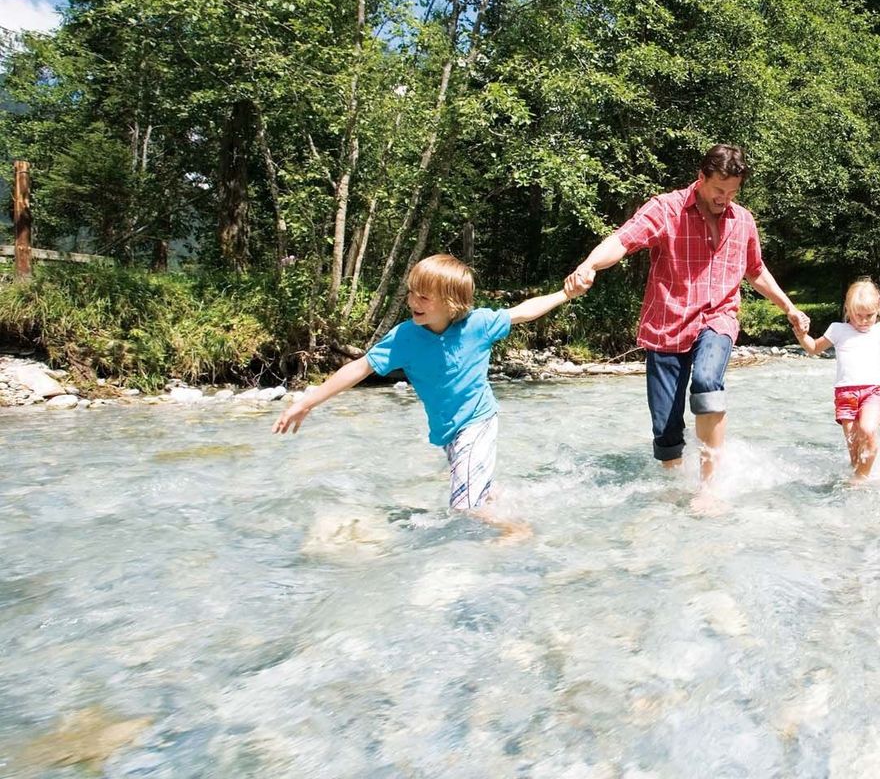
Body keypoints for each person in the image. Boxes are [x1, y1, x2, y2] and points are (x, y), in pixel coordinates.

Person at [565, 144, 809, 493]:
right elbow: (622, 241)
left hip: (718, 317)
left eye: (733, 192)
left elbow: (755, 271)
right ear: (700, 178)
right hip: (667, 323)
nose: (725, 198)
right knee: (666, 430)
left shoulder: (743, 222)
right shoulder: (666, 209)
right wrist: (588, 265)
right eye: (718, 190)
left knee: (708, 381)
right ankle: (674, 493)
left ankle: (709, 487)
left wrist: (789, 308)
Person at [273, 254, 583, 528]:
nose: (412, 302)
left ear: (453, 303)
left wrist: (564, 294)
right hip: (448, 431)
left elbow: (524, 312)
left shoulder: (478, 325)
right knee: (478, 493)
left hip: (478, 422)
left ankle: (517, 531)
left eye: (423, 297)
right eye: (411, 293)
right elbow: (360, 368)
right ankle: (502, 500)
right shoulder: (405, 337)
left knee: (463, 509)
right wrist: (308, 401)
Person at [792, 279, 880, 478]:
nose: (865, 320)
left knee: (867, 430)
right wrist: (801, 335)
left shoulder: (878, 330)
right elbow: (814, 348)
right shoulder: (837, 330)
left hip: (873, 391)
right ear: (849, 310)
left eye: (870, 316)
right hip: (845, 393)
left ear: (878, 311)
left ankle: (861, 479)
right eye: (859, 315)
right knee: (854, 445)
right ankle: (858, 478)